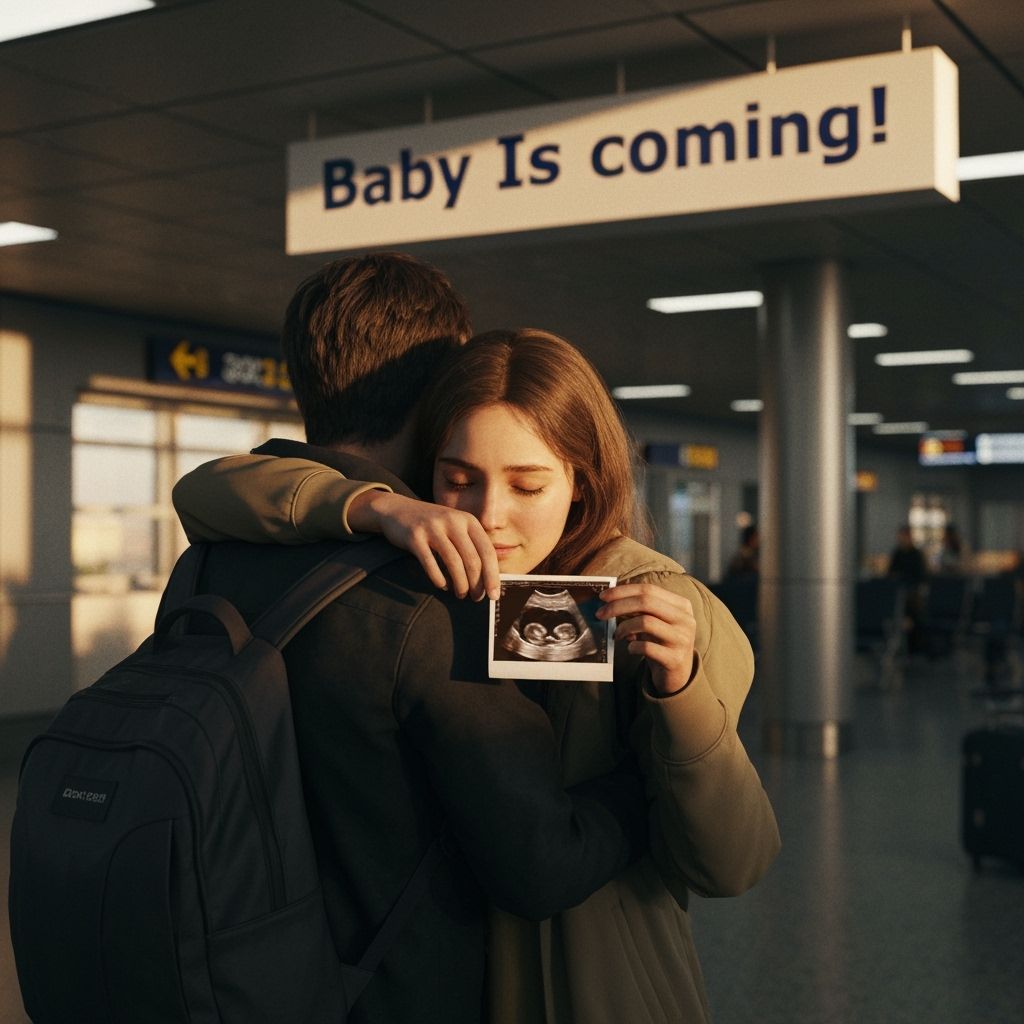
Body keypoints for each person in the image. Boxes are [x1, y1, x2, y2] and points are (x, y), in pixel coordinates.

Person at [175, 326, 781, 1023]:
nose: (489, 517)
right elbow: (206, 492)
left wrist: (679, 693)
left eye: (528, 485)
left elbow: (733, 863)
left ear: (583, 482)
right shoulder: (446, 578)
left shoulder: (654, 603)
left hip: (588, 989)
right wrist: (375, 505)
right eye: (458, 480)